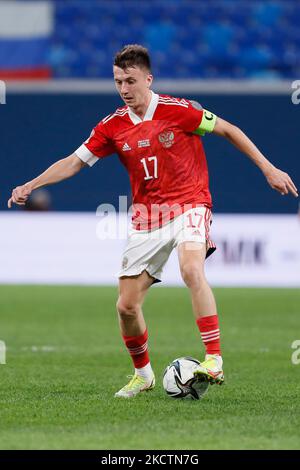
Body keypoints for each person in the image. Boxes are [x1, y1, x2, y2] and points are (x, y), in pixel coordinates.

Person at [8, 45, 298, 399]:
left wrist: (268, 168)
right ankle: (142, 375)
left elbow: (229, 129)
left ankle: (214, 358)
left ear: (148, 78)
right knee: (126, 306)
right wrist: (32, 184)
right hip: (148, 217)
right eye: (118, 82)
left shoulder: (180, 111)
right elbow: (75, 161)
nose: (124, 89)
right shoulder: (112, 126)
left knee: (191, 269)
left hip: (191, 203)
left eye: (130, 80)